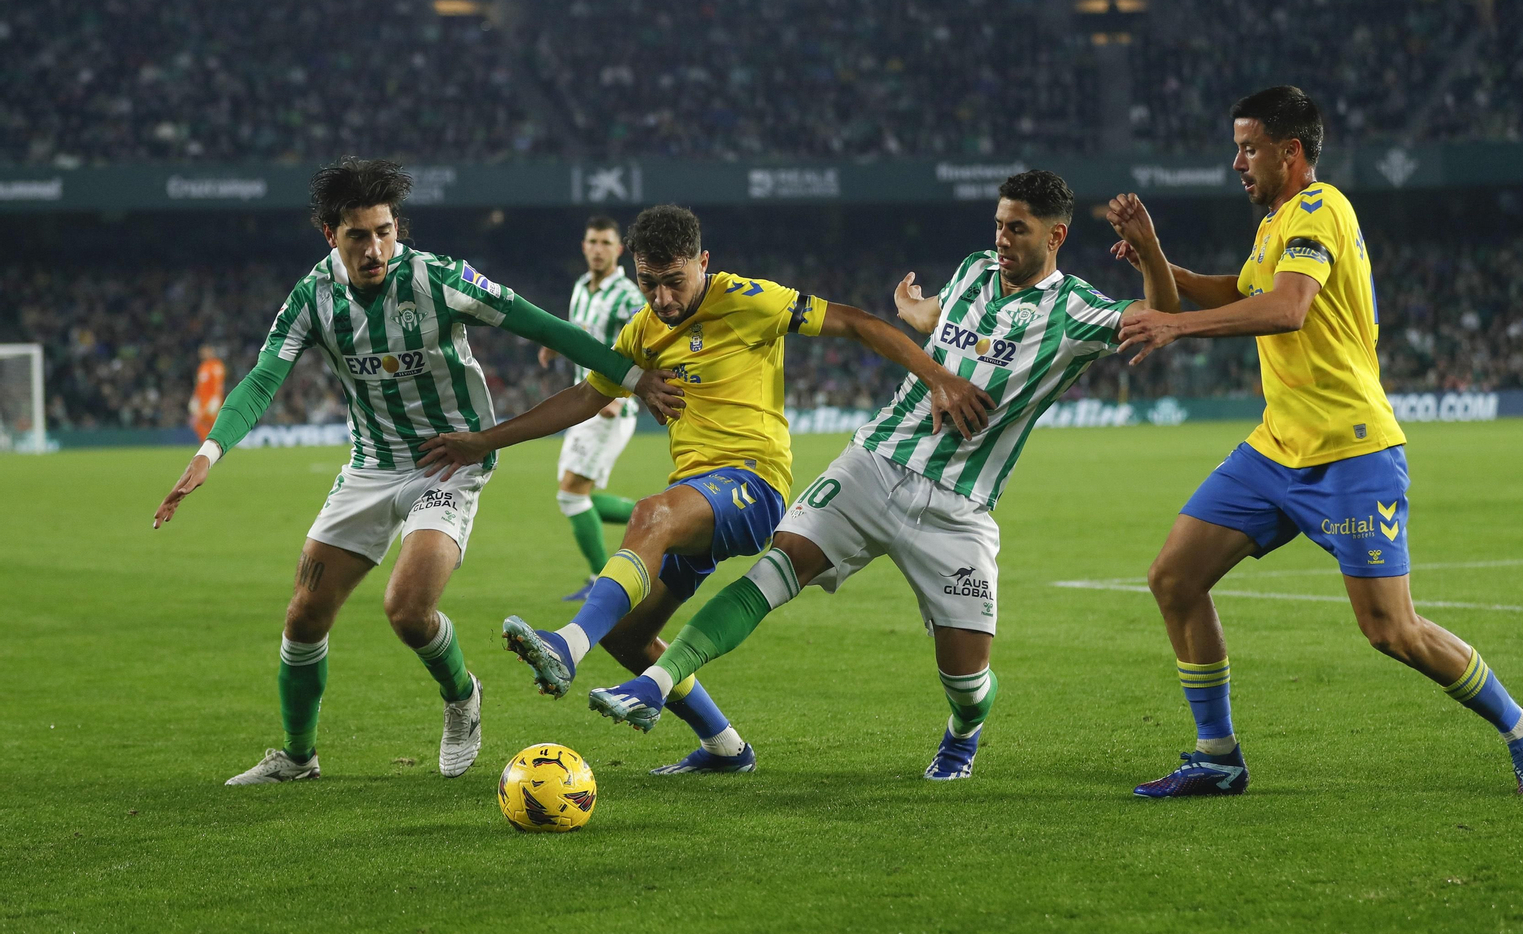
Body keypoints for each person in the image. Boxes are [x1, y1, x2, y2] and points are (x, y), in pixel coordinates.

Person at [587, 172, 1179, 780]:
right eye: (999, 223)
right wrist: (913, 309)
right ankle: (656, 684)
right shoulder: (975, 270)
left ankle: (962, 733)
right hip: (873, 462)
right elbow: (937, 319)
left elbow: (1160, 315)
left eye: (1017, 229)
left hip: (957, 504)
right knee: (777, 568)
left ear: (1056, 235)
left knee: (967, 681)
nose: (1001, 238)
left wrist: (1150, 251)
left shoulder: (1075, 310)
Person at [151, 157, 681, 786]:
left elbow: (542, 325)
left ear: (396, 225)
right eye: (358, 236)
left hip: (448, 461)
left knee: (406, 609)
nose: (375, 249)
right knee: (302, 619)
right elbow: (265, 378)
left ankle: (462, 699)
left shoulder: (438, 279)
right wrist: (209, 453)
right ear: (331, 235)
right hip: (370, 466)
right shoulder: (312, 298)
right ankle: (297, 758)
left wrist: (635, 378)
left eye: (384, 231)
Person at [418, 203, 991, 774]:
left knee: (649, 516)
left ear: (703, 263)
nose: (662, 299)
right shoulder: (644, 330)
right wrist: (484, 440)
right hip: (697, 498)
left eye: (674, 282)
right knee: (628, 635)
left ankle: (566, 646)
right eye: (649, 283)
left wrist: (938, 378)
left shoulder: (747, 300)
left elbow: (857, 323)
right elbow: (582, 399)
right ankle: (725, 748)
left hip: (753, 485)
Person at [1116, 87, 1523, 797]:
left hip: (1350, 450)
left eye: (1250, 148)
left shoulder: (1322, 209)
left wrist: (1176, 327)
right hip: (1275, 448)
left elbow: (1288, 308)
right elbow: (1233, 290)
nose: (1237, 162)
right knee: (1174, 578)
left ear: (1292, 153)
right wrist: (1153, 253)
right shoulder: (1275, 226)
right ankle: (1218, 755)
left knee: (1392, 630)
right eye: (1236, 147)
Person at [540, 216, 649, 601]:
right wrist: (555, 343)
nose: (598, 248)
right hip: (582, 403)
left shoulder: (628, 296)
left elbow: (647, 345)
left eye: (606, 242)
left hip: (608, 407)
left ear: (618, 249)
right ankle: (661, 517)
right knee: (574, 494)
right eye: (592, 241)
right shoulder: (581, 289)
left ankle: (601, 582)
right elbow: (580, 331)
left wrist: (625, 394)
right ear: (584, 246)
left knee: (571, 493)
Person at [189, 345, 226, 442]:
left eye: (204, 352)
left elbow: (218, 385)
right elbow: (199, 386)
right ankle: (210, 446)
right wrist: (195, 399)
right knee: (201, 424)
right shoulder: (202, 366)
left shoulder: (216, 365)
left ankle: (214, 446)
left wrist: (216, 400)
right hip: (202, 402)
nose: (202, 354)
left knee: (208, 424)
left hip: (211, 402)